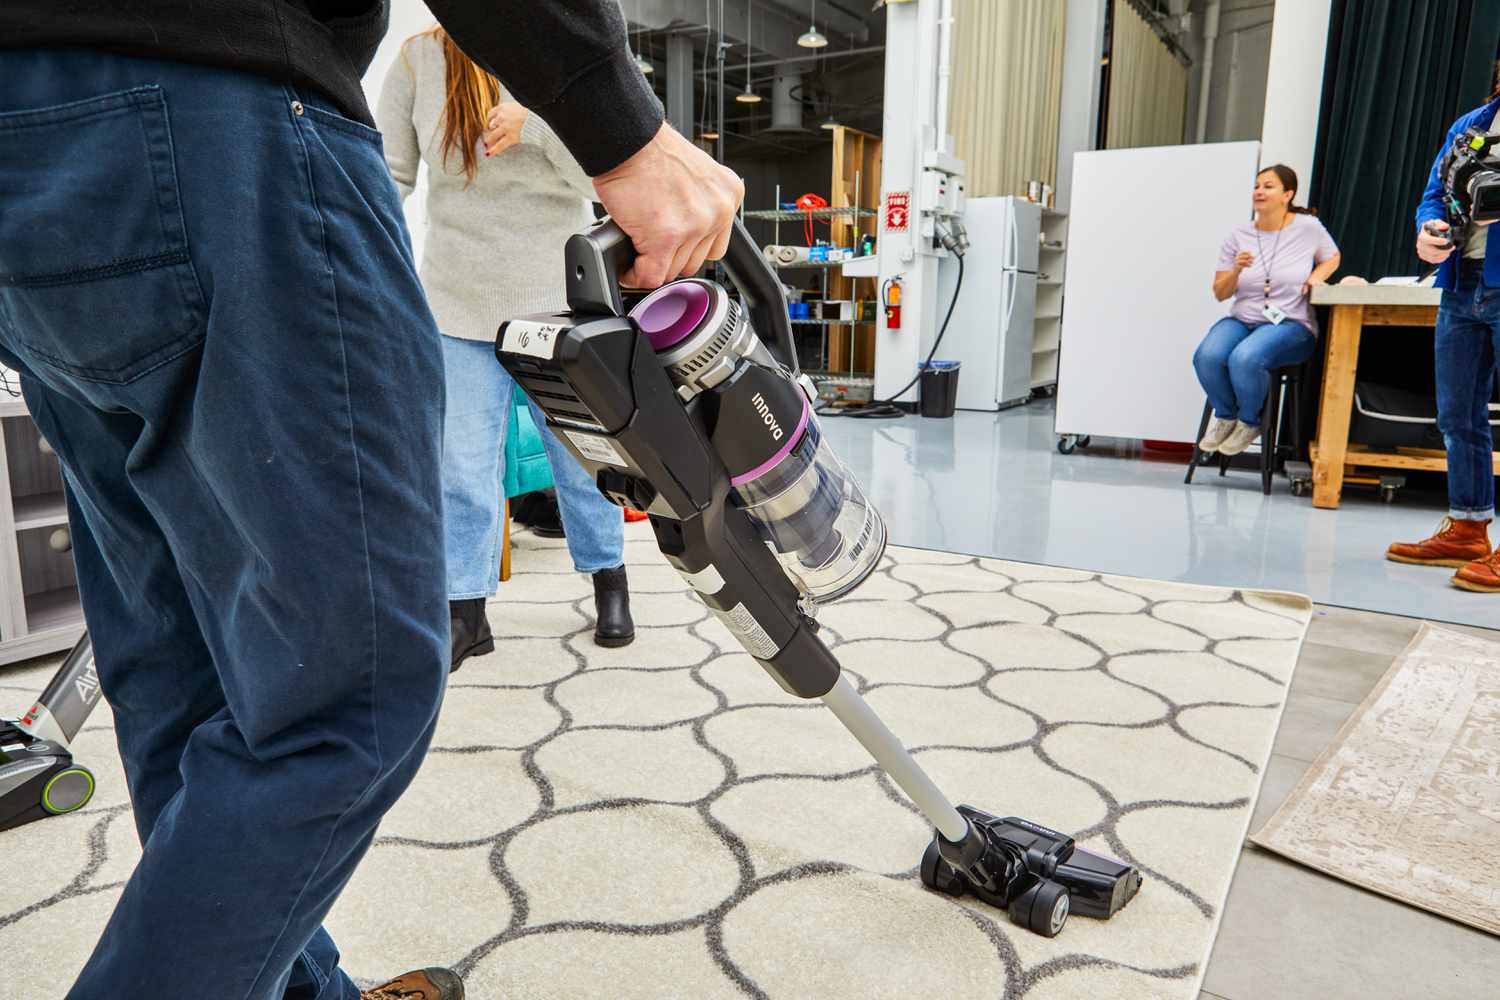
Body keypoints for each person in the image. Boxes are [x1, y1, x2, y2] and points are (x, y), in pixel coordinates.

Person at [0, 2, 741, 998]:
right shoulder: (426, 74)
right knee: (354, 686)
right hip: (224, 115)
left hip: (30, 146)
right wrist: (626, 129)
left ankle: (292, 989)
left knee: (183, 657)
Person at [377, 28, 635, 671]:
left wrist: (537, 125)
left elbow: (603, 180)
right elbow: (389, 174)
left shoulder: (560, 47)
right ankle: (466, 613)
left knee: (581, 456)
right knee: (460, 468)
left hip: (557, 306)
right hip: (456, 301)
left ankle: (609, 581)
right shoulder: (419, 59)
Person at [1389, 79, 1500, 593]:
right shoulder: (1472, 125)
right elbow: (1434, 193)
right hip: (1463, 284)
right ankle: (1468, 527)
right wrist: (1429, 228)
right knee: (1457, 415)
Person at [1193, 165, 1341, 458]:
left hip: (1290, 324)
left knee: (1245, 358)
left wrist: (1316, 277)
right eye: (1257, 186)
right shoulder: (1238, 236)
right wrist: (1236, 268)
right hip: (1243, 319)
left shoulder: (1307, 227)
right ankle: (1226, 417)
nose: (1259, 191)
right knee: (1207, 356)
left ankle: (1250, 421)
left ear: (1288, 194)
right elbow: (1220, 292)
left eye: (1268, 186)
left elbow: (1333, 256)